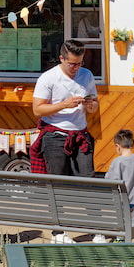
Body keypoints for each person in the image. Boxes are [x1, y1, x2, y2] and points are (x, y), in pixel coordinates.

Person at [30, 39, 100, 244]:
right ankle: (58, 233)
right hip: (54, 134)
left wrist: (90, 104)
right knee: (57, 183)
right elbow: (38, 110)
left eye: (79, 63)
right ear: (61, 58)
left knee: (88, 180)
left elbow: (95, 107)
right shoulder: (48, 77)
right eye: (72, 64)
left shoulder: (86, 75)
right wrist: (64, 104)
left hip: (80, 133)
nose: (76, 68)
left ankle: (97, 229)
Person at [105, 129, 134, 242]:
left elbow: (110, 180)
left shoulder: (117, 162)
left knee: (122, 218)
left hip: (121, 197)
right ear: (132, 143)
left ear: (118, 146)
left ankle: (120, 238)